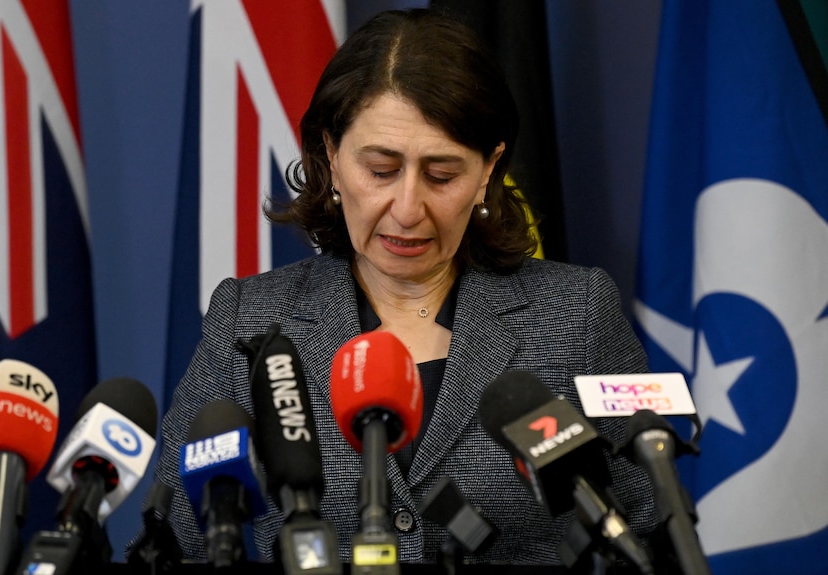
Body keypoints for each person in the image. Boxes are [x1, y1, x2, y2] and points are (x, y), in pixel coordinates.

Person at [153, 7, 657, 567]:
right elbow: (173, 541)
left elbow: (648, 540)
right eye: (381, 169)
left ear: (488, 169)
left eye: (442, 175)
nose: (408, 209)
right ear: (331, 157)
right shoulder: (249, 320)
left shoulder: (577, 314)